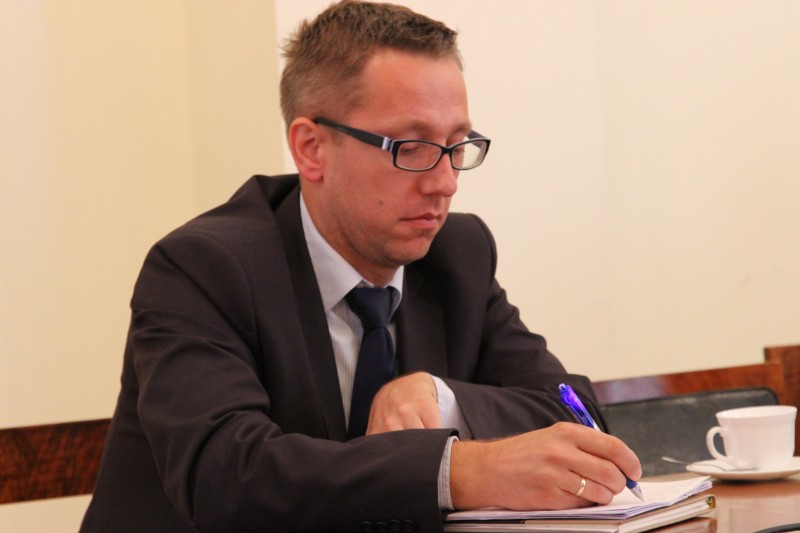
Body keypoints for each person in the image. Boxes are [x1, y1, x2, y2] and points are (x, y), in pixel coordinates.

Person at [81, 1, 641, 532]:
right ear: (311, 149)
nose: (445, 182)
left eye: (457, 145)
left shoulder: (458, 254)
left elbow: (577, 416)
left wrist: (440, 396)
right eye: (411, 147)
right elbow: (226, 477)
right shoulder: (202, 269)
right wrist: (456, 470)